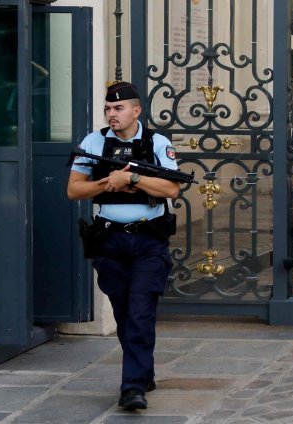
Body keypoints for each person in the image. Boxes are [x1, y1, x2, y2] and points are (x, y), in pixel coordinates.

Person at [67, 81, 181, 411]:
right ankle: (142, 371)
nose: (112, 114)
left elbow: (172, 188)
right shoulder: (94, 143)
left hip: (148, 240)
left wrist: (131, 178)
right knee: (124, 313)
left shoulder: (156, 143)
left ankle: (131, 386)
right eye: (108, 109)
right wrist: (107, 182)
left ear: (136, 111)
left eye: (118, 109)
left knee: (140, 312)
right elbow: (74, 190)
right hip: (110, 240)